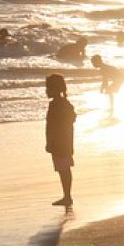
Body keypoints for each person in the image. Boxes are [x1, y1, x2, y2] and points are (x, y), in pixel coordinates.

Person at [44, 73, 76, 207]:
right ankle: (67, 195)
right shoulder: (65, 103)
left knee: (63, 169)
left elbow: (52, 125)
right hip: (65, 141)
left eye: (48, 88)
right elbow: (72, 119)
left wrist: (50, 142)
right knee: (64, 169)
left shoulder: (56, 105)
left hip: (59, 142)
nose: (46, 91)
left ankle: (67, 196)